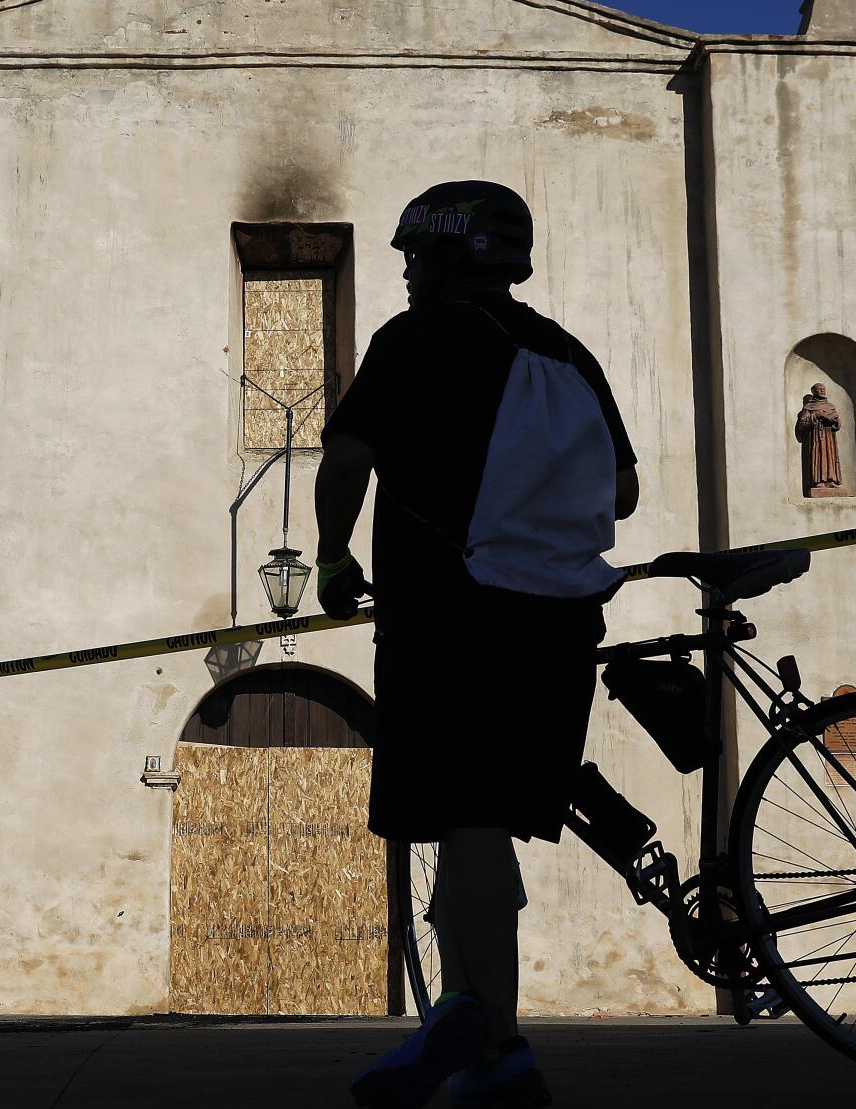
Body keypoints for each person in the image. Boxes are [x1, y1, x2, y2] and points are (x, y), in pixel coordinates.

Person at [315, 181, 638, 1109]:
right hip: (563, 626)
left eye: (417, 255)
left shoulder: (410, 341)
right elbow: (622, 492)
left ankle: (475, 1014)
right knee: (487, 820)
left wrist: (335, 555)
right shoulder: (566, 353)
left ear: (450, 256)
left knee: (466, 816)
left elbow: (348, 460)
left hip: (447, 612)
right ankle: (498, 1051)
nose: (408, 271)